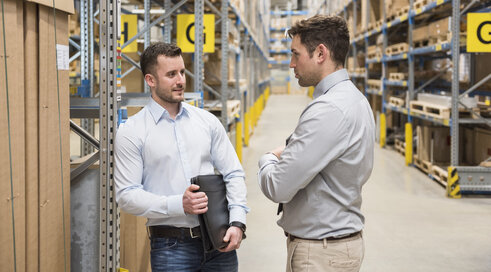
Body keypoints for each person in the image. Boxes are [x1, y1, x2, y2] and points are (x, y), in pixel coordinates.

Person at [114, 42, 249, 272]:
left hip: (219, 241)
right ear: (150, 80)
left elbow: (233, 172)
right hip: (171, 247)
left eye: (182, 72)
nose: (180, 81)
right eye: (171, 74)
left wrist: (237, 222)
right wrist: (179, 204)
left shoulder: (206, 122)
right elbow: (126, 195)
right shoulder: (133, 132)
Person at [257, 15, 375, 272]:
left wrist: (267, 158)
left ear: (320, 53)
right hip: (332, 246)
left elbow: (278, 186)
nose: (291, 64)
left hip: (320, 254)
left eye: (295, 54)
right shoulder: (355, 99)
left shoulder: (329, 109)